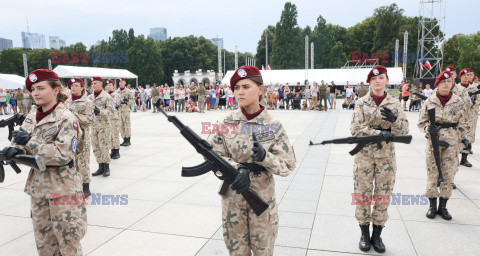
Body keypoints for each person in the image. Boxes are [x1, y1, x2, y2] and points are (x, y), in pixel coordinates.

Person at [207, 65, 296, 255]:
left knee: (263, 251)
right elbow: (212, 156)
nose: (240, 92)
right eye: (237, 88)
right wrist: (237, 169)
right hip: (233, 198)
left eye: (246, 87)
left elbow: (288, 165)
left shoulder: (273, 125)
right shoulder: (225, 122)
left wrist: (265, 157)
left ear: (261, 89)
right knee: (236, 251)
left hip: (262, 200)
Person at [3, 69, 86, 255]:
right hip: (38, 190)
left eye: (41, 88)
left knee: (69, 244)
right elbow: (19, 142)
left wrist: (30, 142)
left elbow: (63, 154)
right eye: (32, 89)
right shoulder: (32, 116)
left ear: (56, 89)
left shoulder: (67, 118)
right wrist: (13, 151)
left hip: (63, 191)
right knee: (44, 245)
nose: (35, 93)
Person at [351, 65, 409, 253]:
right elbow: (356, 129)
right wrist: (381, 132)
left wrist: (395, 121)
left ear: (386, 80)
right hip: (364, 157)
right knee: (362, 194)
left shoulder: (395, 103)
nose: (378, 81)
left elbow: (404, 131)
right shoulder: (361, 103)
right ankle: (364, 233)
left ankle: (377, 234)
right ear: (369, 82)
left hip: (386, 157)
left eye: (381, 78)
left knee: (383, 195)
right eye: (374, 79)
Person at [418, 70, 469, 221]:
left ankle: (443, 206)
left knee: (449, 173)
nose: (446, 84)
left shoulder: (459, 101)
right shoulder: (429, 101)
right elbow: (421, 122)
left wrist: (461, 137)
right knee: (432, 172)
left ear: (452, 84)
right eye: (443, 82)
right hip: (434, 141)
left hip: (452, 142)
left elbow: (464, 123)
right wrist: (429, 129)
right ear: (437, 84)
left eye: (449, 82)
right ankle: (432, 205)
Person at [66, 78, 94, 196]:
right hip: (68, 136)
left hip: (82, 136)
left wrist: (72, 115)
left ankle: (85, 186)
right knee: (70, 161)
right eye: (72, 85)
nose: (73, 87)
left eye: (76, 85)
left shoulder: (87, 102)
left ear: (83, 87)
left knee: (83, 161)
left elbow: (88, 120)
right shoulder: (66, 102)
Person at [89, 76, 114, 177]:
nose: (93, 85)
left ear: (100, 84)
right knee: (95, 147)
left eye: (95, 83)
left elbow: (111, 111)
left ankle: (106, 167)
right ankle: (100, 167)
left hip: (104, 126)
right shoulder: (90, 97)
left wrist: (100, 112)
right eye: (92, 84)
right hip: (93, 126)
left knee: (104, 146)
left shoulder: (107, 96)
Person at [460, 68, 480, 167]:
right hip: (459, 115)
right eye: (465, 75)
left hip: (471, 115)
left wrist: (472, 103)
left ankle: (464, 159)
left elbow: (478, 101)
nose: (467, 77)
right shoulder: (456, 87)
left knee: (469, 136)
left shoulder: (475, 88)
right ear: (460, 76)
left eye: (469, 75)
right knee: (457, 136)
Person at [106, 80, 121, 159]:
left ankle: (117, 151)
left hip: (114, 118)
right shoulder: (106, 95)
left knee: (115, 135)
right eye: (107, 85)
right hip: (107, 118)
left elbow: (115, 103)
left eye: (110, 85)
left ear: (113, 86)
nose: (108, 87)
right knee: (110, 135)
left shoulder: (117, 95)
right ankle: (112, 150)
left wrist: (108, 99)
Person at [116, 78, 133, 146]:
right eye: (119, 82)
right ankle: (124, 139)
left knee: (127, 125)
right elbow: (115, 100)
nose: (121, 83)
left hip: (126, 109)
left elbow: (132, 101)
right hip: (119, 110)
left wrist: (128, 101)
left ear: (125, 83)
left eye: (122, 82)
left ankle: (128, 139)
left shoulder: (128, 91)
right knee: (121, 125)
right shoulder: (117, 92)